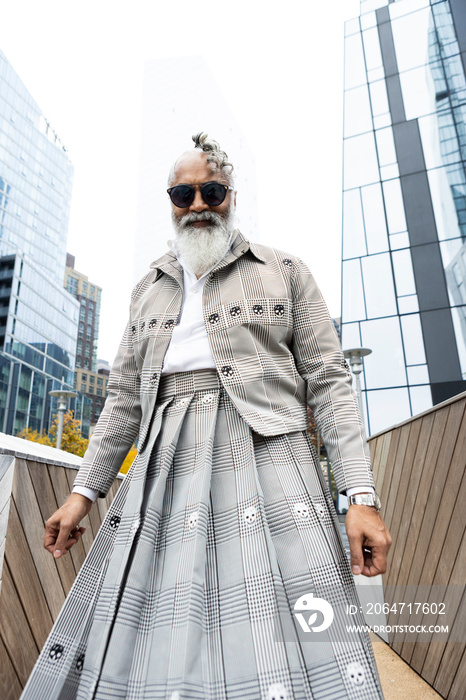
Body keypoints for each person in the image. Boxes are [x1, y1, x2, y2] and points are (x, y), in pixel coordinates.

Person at [21, 133, 391, 700]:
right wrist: (82, 493)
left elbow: (330, 381)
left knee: (286, 621)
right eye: (183, 193)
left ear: (232, 196)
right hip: (162, 472)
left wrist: (360, 496)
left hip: (271, 460)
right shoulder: (147, 288)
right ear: (170, 200)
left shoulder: (285, 271)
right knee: (158, 622)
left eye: (211, 191)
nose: (197, 205)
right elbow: (122, 400)